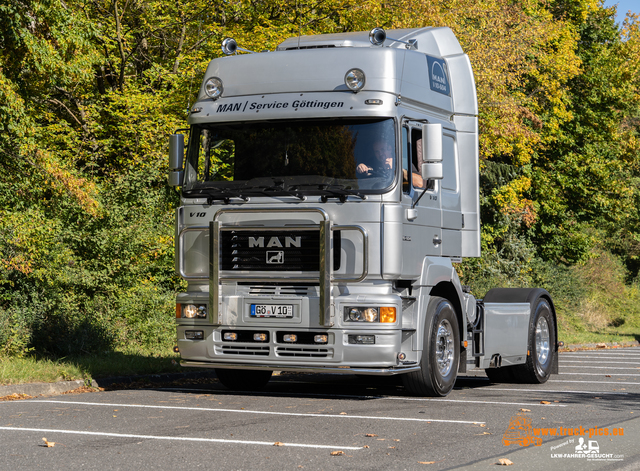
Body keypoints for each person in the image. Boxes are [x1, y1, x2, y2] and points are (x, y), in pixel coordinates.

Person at [356, 139, 424, 188]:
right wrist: (361, 167)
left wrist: (397, 169)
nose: (380, 154)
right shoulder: (373, 162)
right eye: (377, 151)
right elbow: (368, 170)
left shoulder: (403, 162)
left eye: (383, 150)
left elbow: (420, 183)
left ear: (390, 149)